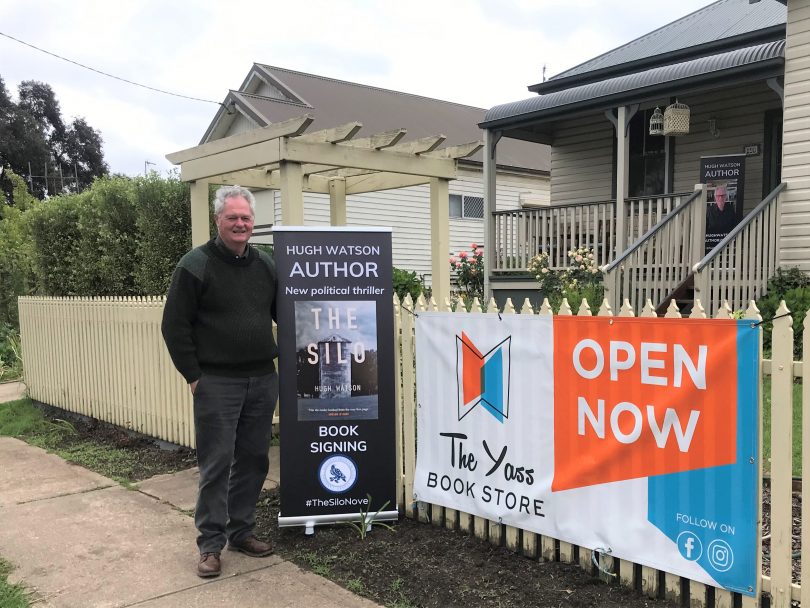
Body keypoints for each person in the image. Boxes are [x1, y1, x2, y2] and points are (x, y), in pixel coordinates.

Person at [161, 185, 278, 578]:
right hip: (218, 383)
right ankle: (210, 545)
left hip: (262, 380)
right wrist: (194, 376)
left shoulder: (266, 265)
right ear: (218, 221)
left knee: (254, 460)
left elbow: (285, 315)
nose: (241, 224)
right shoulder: (196, 265)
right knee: (216, 463)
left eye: (246, 218)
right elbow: (174, 326)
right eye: (233, 218)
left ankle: (241, 531)